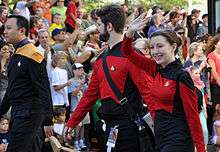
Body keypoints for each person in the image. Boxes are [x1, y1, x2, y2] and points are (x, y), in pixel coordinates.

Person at [65, 4, 154, 151]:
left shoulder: (132, 55)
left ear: (110, 26)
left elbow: (148, 92)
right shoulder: (100, 60)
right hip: (109, 128)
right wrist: (71, 123)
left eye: (99, 24)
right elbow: (89, 96)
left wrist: (162, 128)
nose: (96, 29)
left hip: (130, 129)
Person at [121, 13, 205, 152]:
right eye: (152, 47)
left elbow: (192, 116)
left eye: (160, 46)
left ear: (173, 47)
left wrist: (201, 149)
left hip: (178, 139)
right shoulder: (155, 68)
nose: (155, 51)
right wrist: (129, 32)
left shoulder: (182, 76)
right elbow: (127, 52)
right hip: (160, 137)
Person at [0, 15, 53, 152]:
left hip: (30, 113)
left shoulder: (33, 54)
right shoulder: (15, 55)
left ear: (22, 31)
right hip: (18, 112)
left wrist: (48, 119)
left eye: (9, 28)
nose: (4, 31)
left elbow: (44, 88)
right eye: (4, 27)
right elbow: (12, 88)